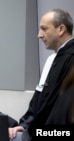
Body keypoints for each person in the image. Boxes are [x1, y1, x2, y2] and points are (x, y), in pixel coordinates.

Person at [9, 8, 74, 141]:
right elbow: (39, 98)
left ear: (61, 29)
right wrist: (24, 124)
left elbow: (60, 108)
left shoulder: (71, 58)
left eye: (44, 29)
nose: (39, 35)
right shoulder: (52, 59)